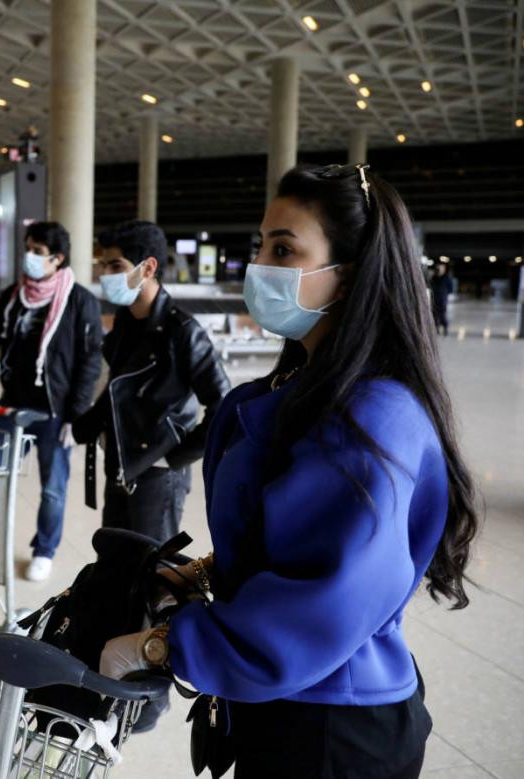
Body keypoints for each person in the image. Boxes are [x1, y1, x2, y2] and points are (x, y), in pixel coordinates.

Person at [99, 164, 480, 778]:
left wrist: (163, 647)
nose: (261, 266)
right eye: (261, 245)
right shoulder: (304, 387)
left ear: (348, 274)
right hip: (289, 703)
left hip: (332, 726)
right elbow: (288, 540)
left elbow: (323, 598)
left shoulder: (372, 418)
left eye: (284, 249)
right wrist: (200, 573)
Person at [0, 221, 103, 581]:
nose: (29, 257)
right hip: (12, 405)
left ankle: (44, 550)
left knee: (52, 489)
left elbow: (89, 363)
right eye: (28, 248)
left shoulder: (80, 302)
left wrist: (75, 416)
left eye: (38, 251)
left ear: (58, 259)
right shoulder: (14, 296)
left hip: (54, 412)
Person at [72, 221, 230, 542]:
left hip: (158, 474)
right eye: (103, 265)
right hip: (119, 463)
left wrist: (173, 457)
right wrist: (89, 422)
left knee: (151, 571)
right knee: (114, 561)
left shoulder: (182, 331)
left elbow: (224, 406)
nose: (106, 274)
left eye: (116, 265)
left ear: (148, 268)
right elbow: (120, 387)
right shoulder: (125, 323)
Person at [429, 262, 456, 336]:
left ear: (444, 269)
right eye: (438, 267)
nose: (439, 269)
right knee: (434, 314)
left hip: (442, 298)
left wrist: (445, 294)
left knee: (442, 314)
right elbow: (430, 285)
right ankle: (436, 328)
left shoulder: (447, 277)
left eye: (441, 267)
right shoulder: (434, 277)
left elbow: (451, 289)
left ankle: (445, 328)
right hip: (434, 298)